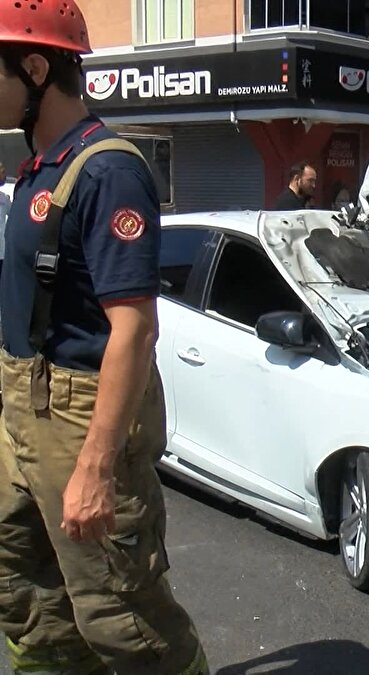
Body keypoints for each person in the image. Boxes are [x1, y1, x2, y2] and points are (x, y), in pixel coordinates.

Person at [0, 2, 208, 673]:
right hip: (22, 410)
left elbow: (134, 328)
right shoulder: (40, 168)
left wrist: (95, 464)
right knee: (25, 588)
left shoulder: (105, 170)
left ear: (35, 68)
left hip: (77, 413)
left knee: (121, 609)